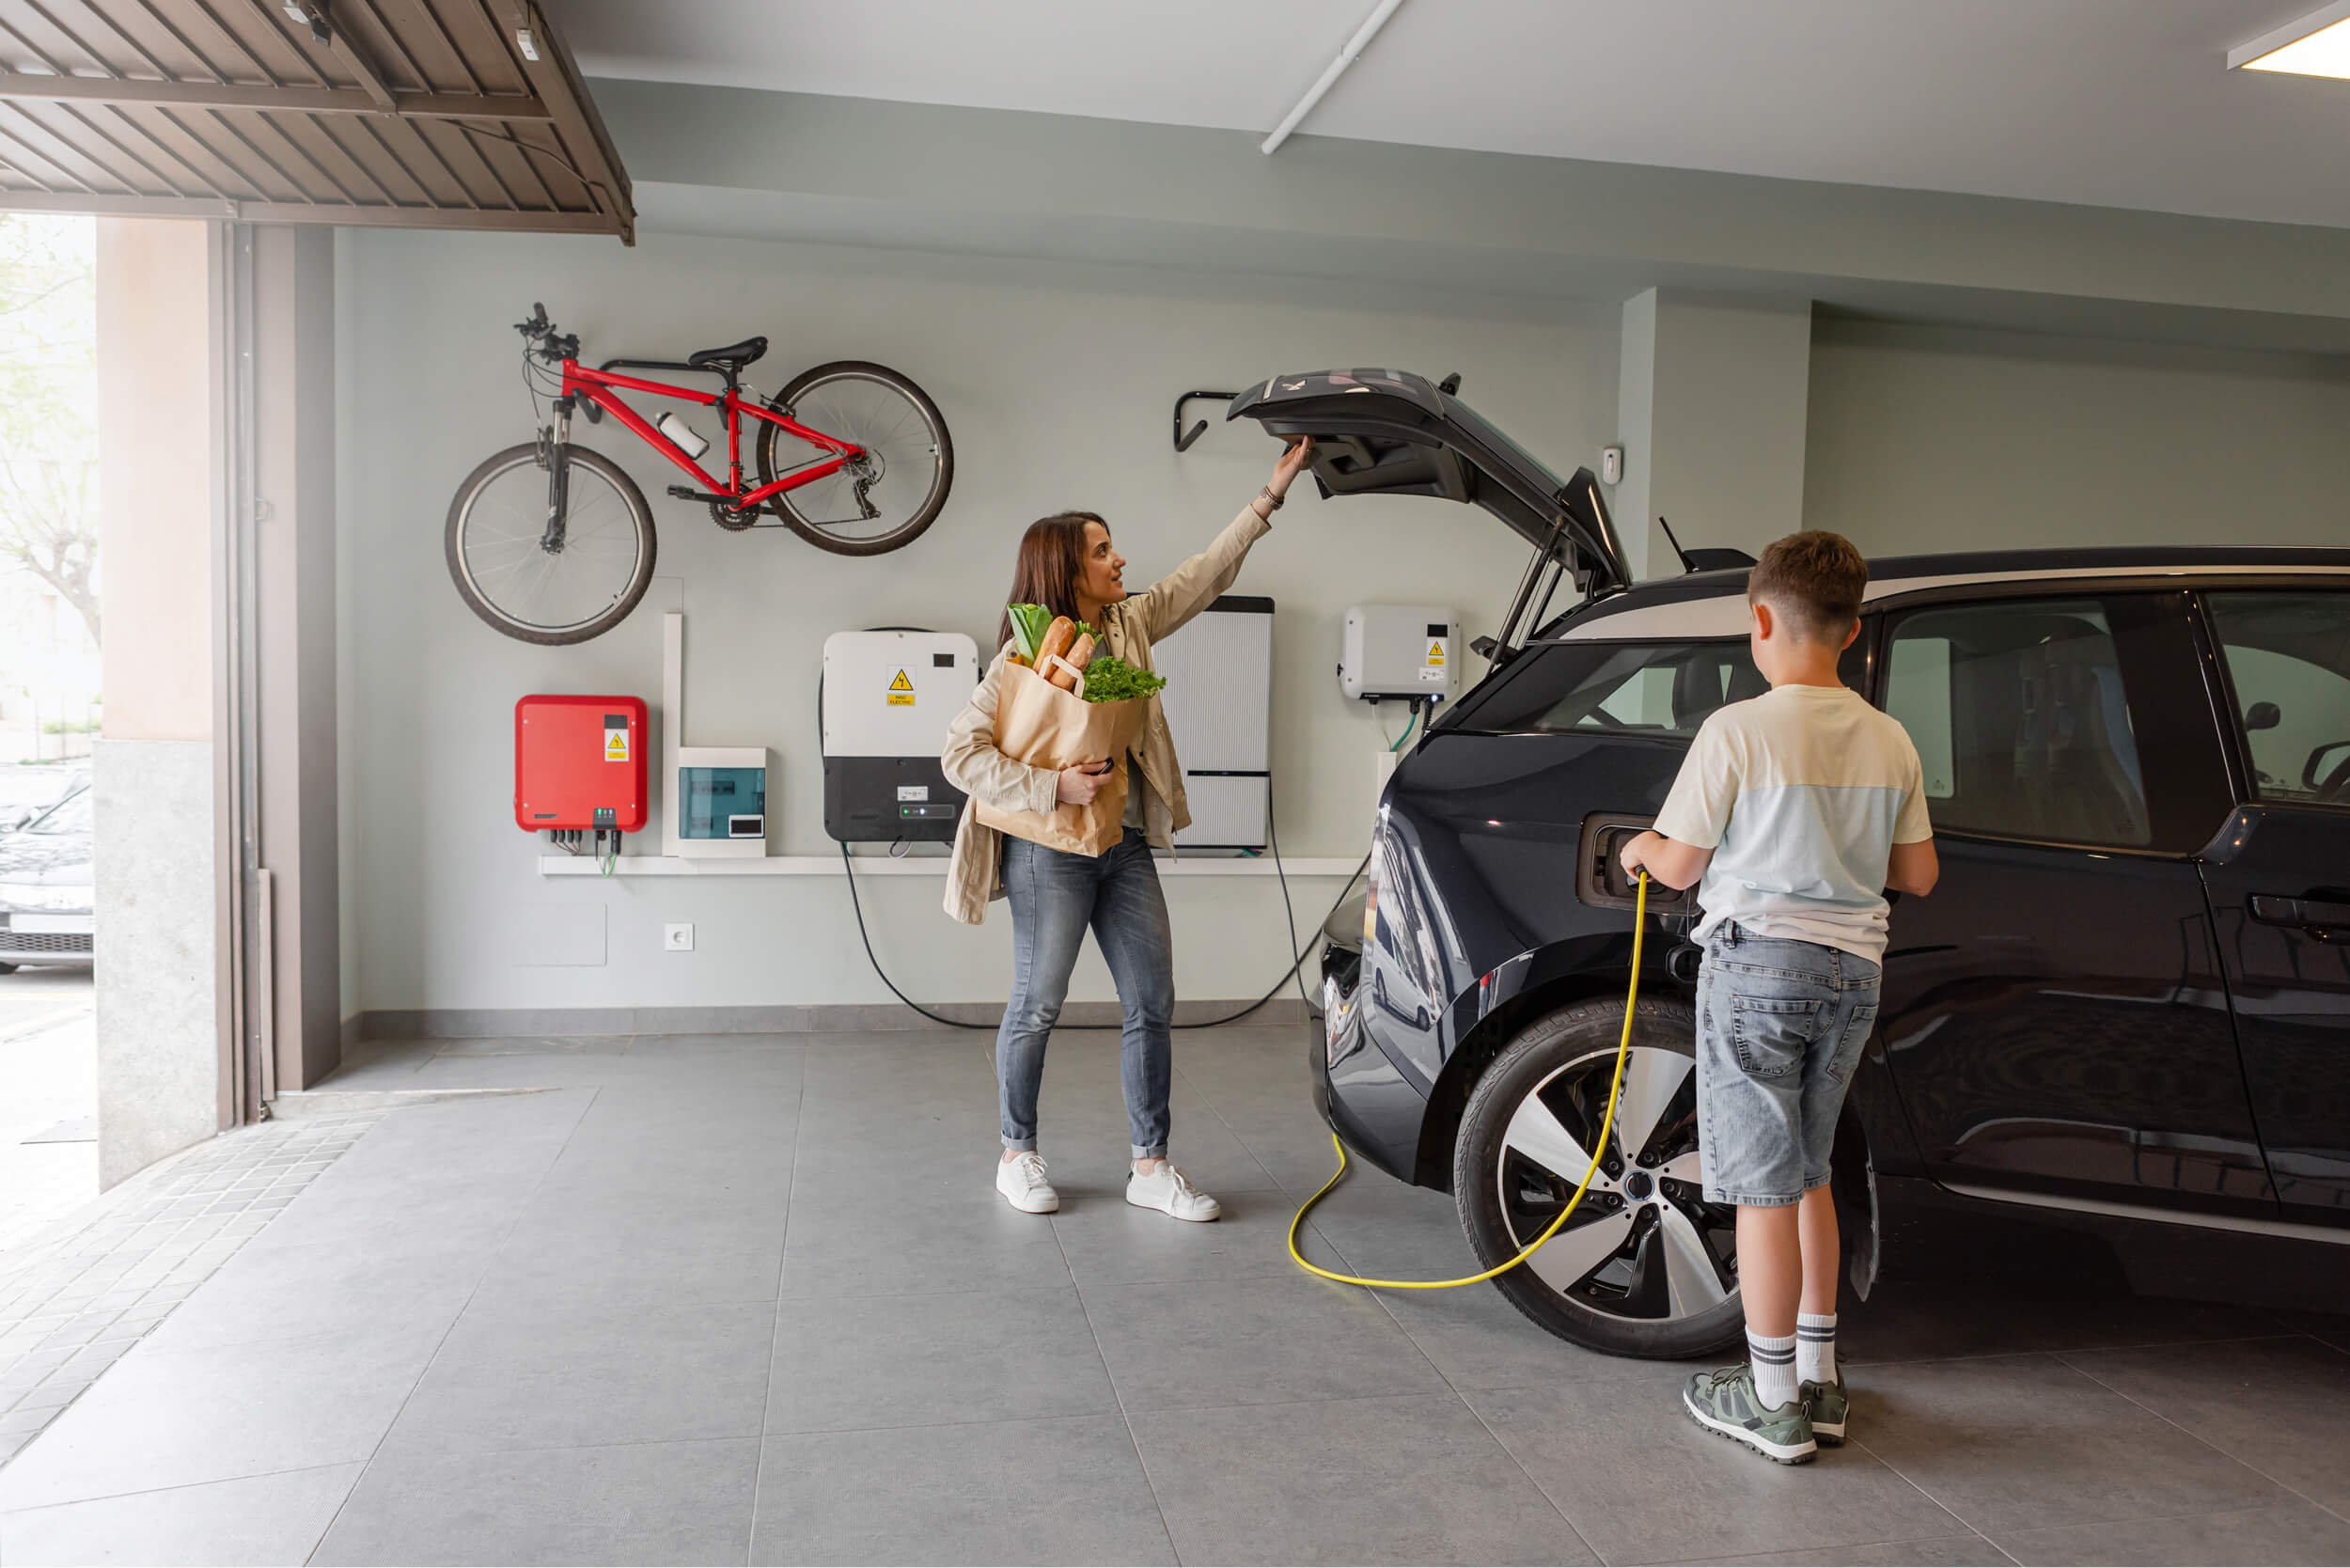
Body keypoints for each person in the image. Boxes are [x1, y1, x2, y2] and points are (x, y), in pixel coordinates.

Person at [1618, 530, 1938, 1466]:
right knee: (1808, 1173)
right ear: (1852, 629)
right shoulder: (1889, 737)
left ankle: (1767, 1402)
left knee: (1759, 1190)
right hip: (1853, 978)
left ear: (1760, 621)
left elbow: (1677, 860)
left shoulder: (1737, 730)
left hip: (1758, 971)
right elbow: (1916, 873)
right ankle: (1819, 1381)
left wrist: (1640, 847)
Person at [943, 437, 1316, 1220]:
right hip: (1049, 853)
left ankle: (1150, 1168)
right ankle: (1017, 1155)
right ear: (1067, 571)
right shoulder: (1020, 655)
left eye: (1114, 549)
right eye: (1103, 552)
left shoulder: (1129, 625)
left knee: (1152, 999)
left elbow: (1202, 576)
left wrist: (1268, 497)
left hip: (1125, 845)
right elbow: (959, 755)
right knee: (1037, 1003)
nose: (1120, 562)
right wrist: (1053, 783)